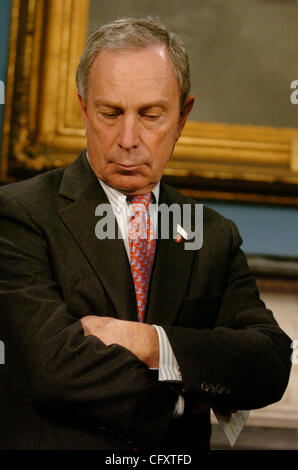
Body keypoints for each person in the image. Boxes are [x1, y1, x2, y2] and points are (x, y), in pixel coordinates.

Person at [0, 17, 292, 451]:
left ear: (182, 116)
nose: (129, 139)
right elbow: (52, 370)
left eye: (151, 115)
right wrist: (185, 392)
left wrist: (153, 343)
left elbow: (269, 362)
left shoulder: (212, 235)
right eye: (110, 113)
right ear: (84, 108)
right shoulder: (19, 213)